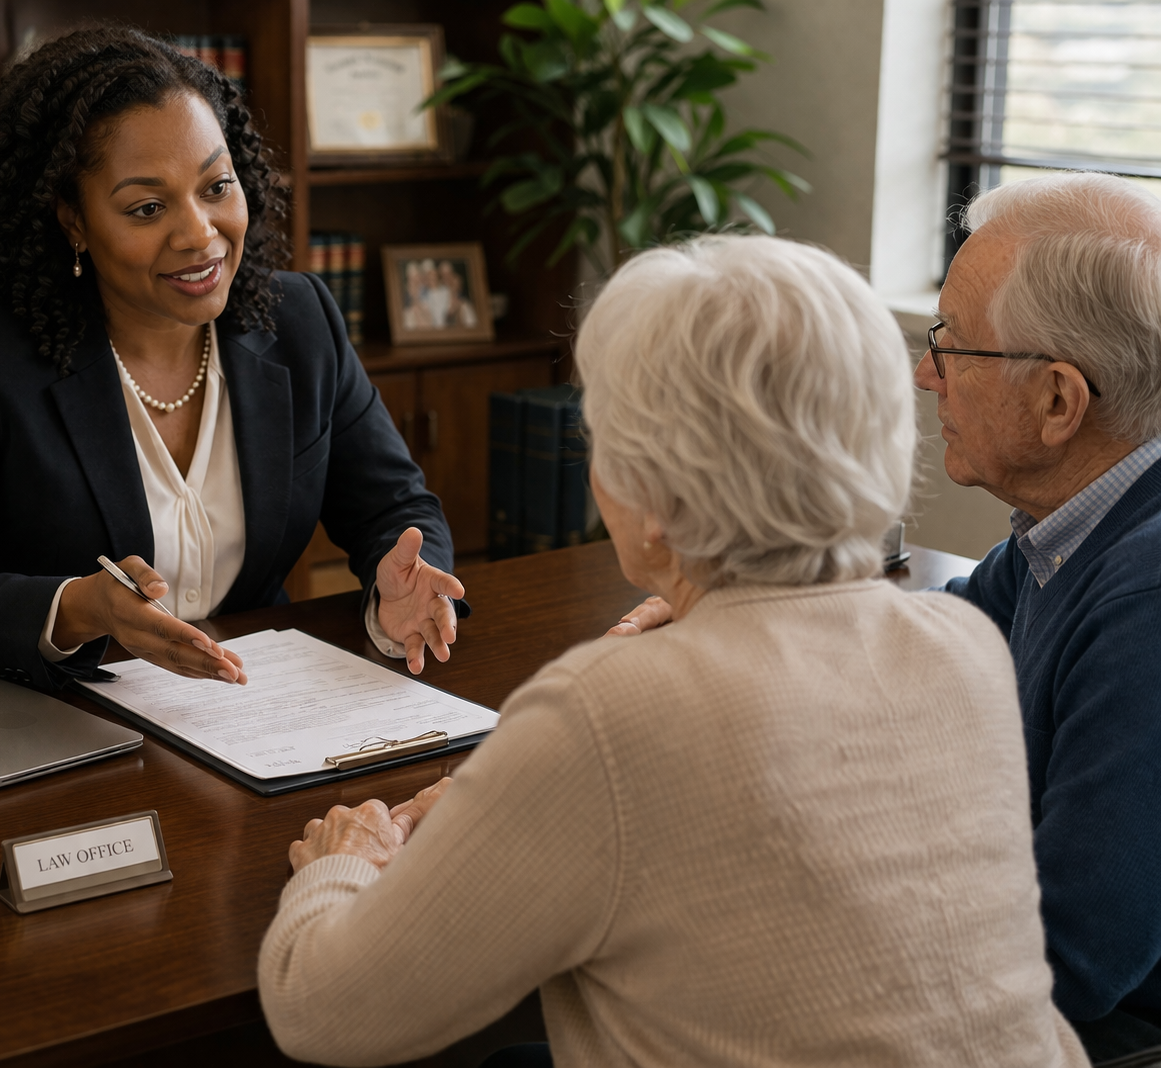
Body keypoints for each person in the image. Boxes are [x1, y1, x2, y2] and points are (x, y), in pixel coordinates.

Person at [256, 236, 1085, 1068]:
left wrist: (344, 863)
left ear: (654, 498)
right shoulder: (966, 648)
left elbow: (320, 1012)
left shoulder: (608, 713)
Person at [0, 27, 465, 692]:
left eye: (217, 186)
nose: (199, 235)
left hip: (255, 706)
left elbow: (396, 509)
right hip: (62, 719)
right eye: (148, 207)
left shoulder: (300, 320)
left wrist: (407, 590)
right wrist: (79, 609)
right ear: (72, 220)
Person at [911, 172, 1161, 1062]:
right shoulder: (1076, 527)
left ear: (1060, 400)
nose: (924, 373)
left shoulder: (1147, 597)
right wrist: (753, 615)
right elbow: (941, 641)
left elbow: (1073, 957)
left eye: (951, 347)